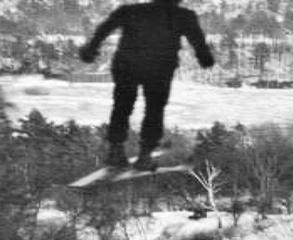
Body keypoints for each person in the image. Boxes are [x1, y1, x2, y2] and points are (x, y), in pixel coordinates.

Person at [79, 1, 215, 169]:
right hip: (159, 68)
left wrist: (91, 49)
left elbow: (103, 30)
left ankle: (116, 150)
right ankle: (145, 154)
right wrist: (205, 58)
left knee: (122, 106)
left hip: (127, 65)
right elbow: (198, 42)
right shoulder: (183, 16)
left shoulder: (130, 11)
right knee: (154, 110)